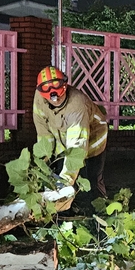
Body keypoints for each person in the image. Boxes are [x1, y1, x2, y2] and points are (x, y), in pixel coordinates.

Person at [32, 66, 108, 211]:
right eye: (46, 90)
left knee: (91, 180)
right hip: (65, 140)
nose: (53, 94)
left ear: (65, 84)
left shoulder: (77, 104)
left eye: (56, 87)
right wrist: (43, 161)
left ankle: (100, 214)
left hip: (92, 140)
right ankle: (67, 212)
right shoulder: (39, 98)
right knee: (59, 173)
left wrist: (66, 180)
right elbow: (43, 132)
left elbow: (77, 146)